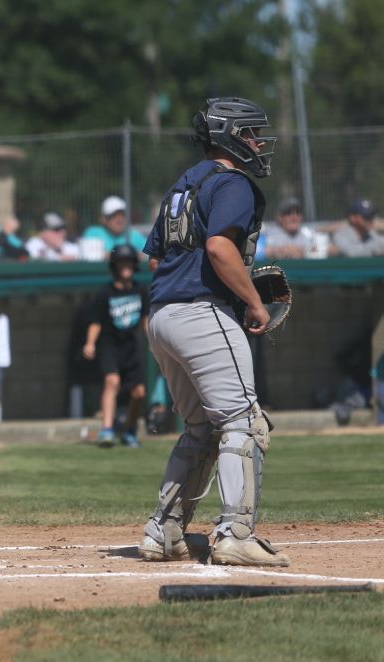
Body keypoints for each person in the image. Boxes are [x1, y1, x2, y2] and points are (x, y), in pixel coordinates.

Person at [137, 97, 290, 567]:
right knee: (244, 423)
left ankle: (164, 531)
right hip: (201, 314)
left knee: (202, 428)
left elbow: (158, 260)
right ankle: (236, 533)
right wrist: (252, 301)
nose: (258, 144)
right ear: (230, 138)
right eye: (250, 135)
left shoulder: (183, 184)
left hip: (162, 317)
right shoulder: (232, 183)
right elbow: (221, 247)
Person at [81, 244, 149, 448]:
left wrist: (154, 341)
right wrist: (90, 343)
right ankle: (107, 430)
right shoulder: (105, 293)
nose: (125, 266)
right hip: (110, 344)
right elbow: (96, 321)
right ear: (115, 266)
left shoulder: (140, 291)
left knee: (139, 393)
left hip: (131, 345)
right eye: (121, 262)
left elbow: (146, 319)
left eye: (128, 262)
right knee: (112, 382)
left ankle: (129, 430)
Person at [264, 196, 333, 259]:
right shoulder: (269, 235)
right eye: (288, 213)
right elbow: (263, 252)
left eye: (298, 213)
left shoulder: (308, 234)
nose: (294, 217)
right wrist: (279, 251)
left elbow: (329, 250)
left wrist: (302, 252)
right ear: (279, 218)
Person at [82, 195, 146, 257]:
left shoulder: (134, 235)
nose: (119, 219)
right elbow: (89, 255)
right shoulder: (93, 233)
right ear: (104, 219)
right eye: (114, 215)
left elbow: (150, 254)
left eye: (122, 214)